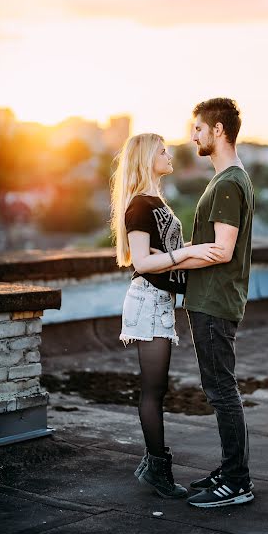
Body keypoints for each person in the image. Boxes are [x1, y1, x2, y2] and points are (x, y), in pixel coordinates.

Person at [110, 132, 224, 499]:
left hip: (160, 301)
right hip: (146, 300)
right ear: (147, 159)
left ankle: (151, 463)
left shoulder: (155, 201)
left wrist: (196, 250)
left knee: (157, 389)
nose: (169, 153)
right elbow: (142, 262)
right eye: (162, 151)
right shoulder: (139, 206)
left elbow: (167, 251)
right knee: (153, 390)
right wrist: (188, 254)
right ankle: (158, 470)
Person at [156, 98, 255, 508]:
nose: (191, 135)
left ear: (217, 130)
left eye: (197, 127)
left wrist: (171, 258)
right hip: (210, 299)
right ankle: (231, 471)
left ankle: (236, 481)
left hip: (214, 302)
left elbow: (223, 250)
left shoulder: (229, 182)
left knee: (221, 391)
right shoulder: (231, 179)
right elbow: (214, 246)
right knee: (220, 389)